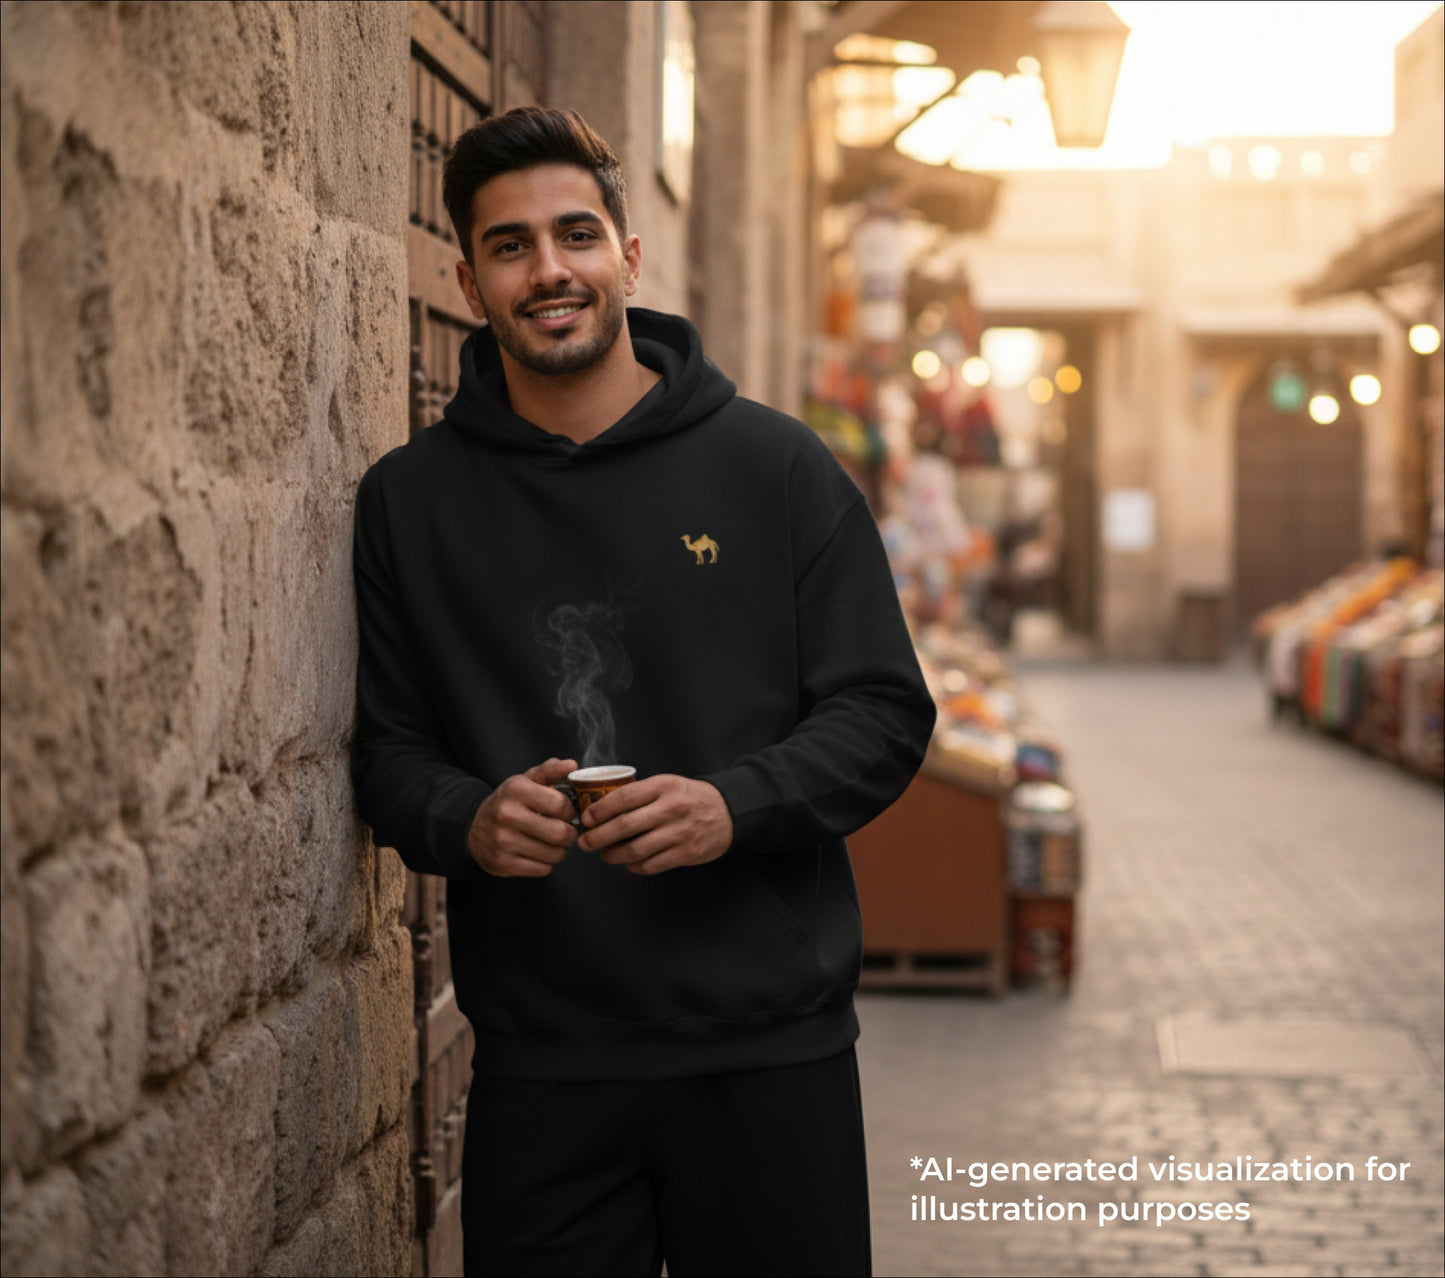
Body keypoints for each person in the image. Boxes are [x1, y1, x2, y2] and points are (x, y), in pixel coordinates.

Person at [351, 105, 935, 1277]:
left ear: (627, 253)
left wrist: (736, 806)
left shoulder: (773, 467)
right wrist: (465, 819)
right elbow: (386, 753)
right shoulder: (409, 503)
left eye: (574, 234)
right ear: (468, 279)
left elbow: (882, 712)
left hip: (771, 1053)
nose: (547, 269)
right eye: (509, 246)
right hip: (542, 1064)